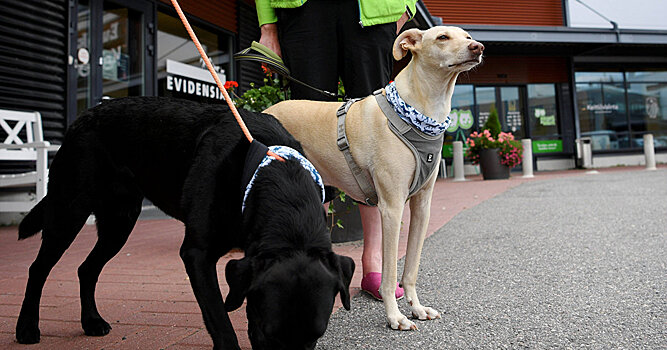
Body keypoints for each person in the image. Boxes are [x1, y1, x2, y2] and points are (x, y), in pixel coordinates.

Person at [255, 0, 417, 300]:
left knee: (374, 131)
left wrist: (405, 5)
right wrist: (268, 25)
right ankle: (314, 257)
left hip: (372, 7)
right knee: (307, 131)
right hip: (305, 10)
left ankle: (375, 263)